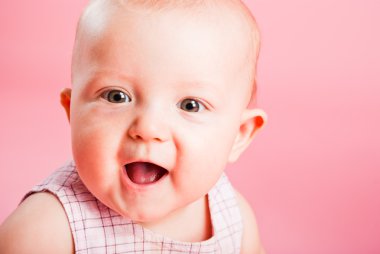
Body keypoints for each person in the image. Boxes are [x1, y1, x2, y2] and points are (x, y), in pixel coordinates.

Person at [0, 0, 267, 253]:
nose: (148, 128)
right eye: (117, 96)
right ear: (72, 112)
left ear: (239, 136)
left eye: (190, 105)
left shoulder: (232, 218)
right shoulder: (45, 231)